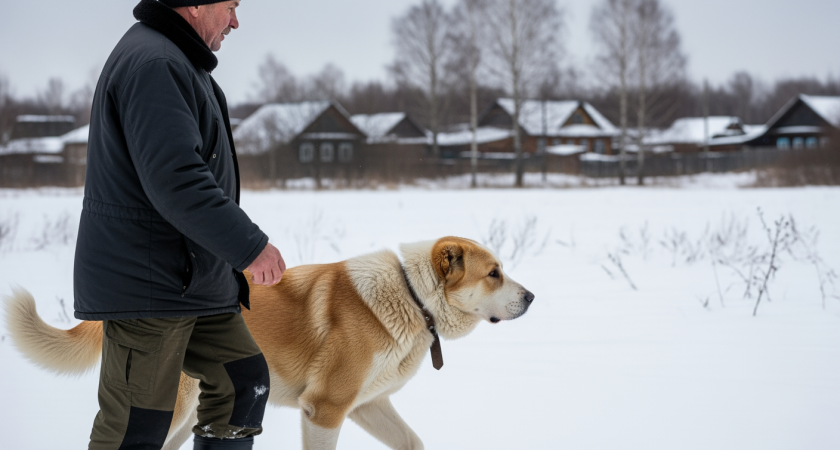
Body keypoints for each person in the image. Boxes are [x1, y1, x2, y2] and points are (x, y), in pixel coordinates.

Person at [73, 1, 285, 449]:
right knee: (137, 425)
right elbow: (176, 180)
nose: (235, 22)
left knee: (241, 385)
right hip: (149, 281)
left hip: (195, 279)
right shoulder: (156, 63)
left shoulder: (180, 60)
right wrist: (249, 246)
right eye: (230, 7)